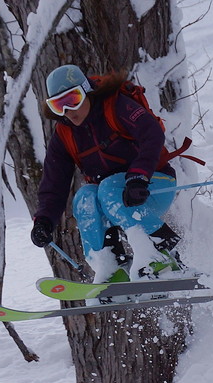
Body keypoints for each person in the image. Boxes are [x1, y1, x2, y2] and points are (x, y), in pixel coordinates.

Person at [30, 65, 183, 283]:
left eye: (72, 99)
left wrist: (139, 176)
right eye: (58, 105)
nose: (68, 111)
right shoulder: (64, 135)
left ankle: (161, 253)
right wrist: (44, 220)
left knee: (109, 188)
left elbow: (152, 133)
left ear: (86, 91)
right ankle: (112, 268)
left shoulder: (116, 106)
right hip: (112, 197)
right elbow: (55, 182)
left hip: (152, 185)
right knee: (84, 198)